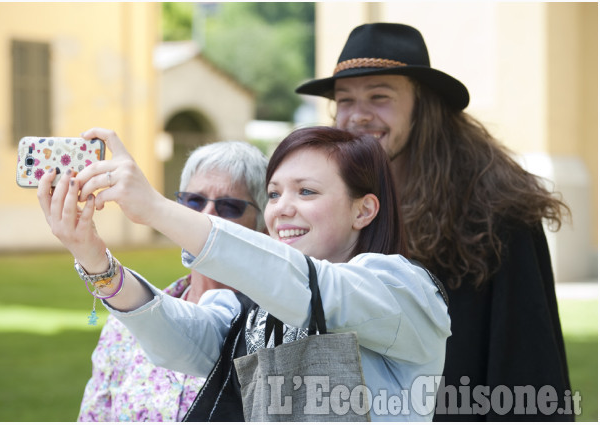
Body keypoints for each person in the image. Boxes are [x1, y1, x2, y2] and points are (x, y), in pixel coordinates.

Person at [37, 125, 451, 421]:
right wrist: (92, 255)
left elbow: (311, 287)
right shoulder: (251, 309)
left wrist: (158, 208)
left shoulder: (401, 290)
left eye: (306, 191)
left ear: (364, 209)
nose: (282, 208)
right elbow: (180, 341)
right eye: (274, 193)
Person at [295, 23, 572, 421]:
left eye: (379, 97)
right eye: (345, 100)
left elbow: (527, 356)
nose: (357, 116)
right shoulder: (328, 202)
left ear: (422, 106)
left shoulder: (494, 211)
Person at [76, 141, 269, 421]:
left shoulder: (273, 331)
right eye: (194, 201)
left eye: (229, 206)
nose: (206, 215)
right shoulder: (125, 321)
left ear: (261, 226)